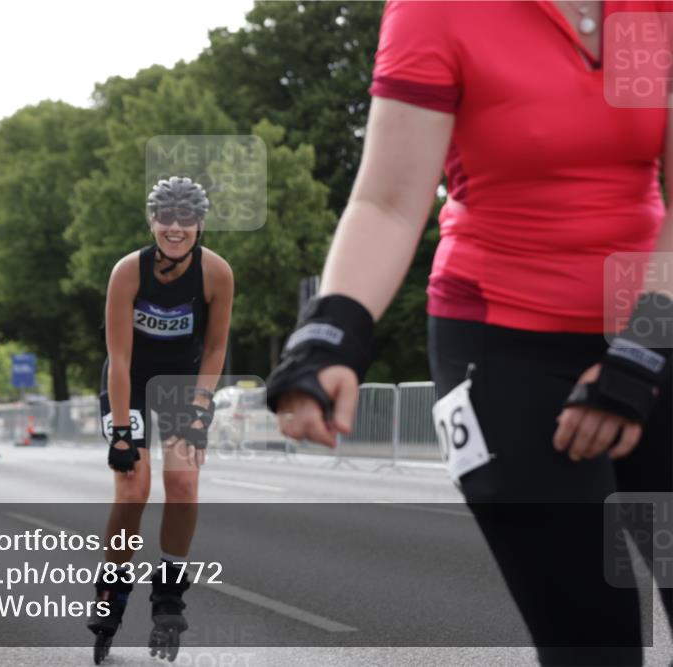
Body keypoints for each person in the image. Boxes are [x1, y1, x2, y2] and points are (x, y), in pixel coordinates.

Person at [266, 2, 672, 665]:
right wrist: (330, 334)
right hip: (504, 342)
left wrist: (643, 347)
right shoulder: (439, 10)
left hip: (655, 314)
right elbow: (390, 202)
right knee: (593, 642)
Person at [87, 177, 234, 663]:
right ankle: (112, 588)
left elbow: (214, 348)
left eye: (185, 219)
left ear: (200, 224)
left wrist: (199, 409)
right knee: (133, 488)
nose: (175, 227)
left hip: (180, 383)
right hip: (129, 378)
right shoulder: (129, 272)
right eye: (165, 218)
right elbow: (120, 359)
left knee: (184, 483)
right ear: (151, 221)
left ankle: (169, 591)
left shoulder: (216, 274)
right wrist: (124, 432)